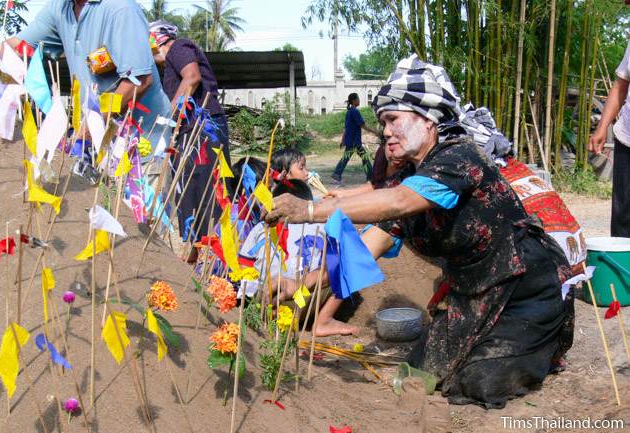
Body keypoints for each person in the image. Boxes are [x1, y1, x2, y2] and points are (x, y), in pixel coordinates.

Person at [265, 55, 574, 409]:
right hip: (474, 292)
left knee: (479, 382)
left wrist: (308, 210)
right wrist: (299, 285)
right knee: (417, 373)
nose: (385, 132)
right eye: (383, 122)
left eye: (393, 119)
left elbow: (399, 202)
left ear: (428, 121)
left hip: (525, 287)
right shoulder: (406, 178)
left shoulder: (459, 159)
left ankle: (541, 345)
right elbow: (363, 250)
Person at [4, 0, 171, 151]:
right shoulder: (60, 8)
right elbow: (17, 46)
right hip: (100, 141)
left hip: (142, 141)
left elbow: (139, 80)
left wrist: (93, 122)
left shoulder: (120, 9)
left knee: (134, 181)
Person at [149, 20, 232, 248]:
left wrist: (172, 113)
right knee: (188, 187)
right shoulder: (168, 66)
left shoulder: (178, 48)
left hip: (203, 129)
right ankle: (196, 247)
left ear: (157, 40)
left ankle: (212, 249)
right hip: (191, 131)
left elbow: (193, 77)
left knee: (206, 187)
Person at [589, 38, 630, 237]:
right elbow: (621, 86)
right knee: (623, 218)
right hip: (627, 140)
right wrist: (602, 127)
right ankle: (622, 266)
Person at [331, 93, 379, 184]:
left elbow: (345, 128)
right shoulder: (355, 111)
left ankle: (336, 175)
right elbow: (362, 125)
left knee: (346, 159)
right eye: (358, 99)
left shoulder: (349, 112)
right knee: (364, 158)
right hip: (354, 141)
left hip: (350, 140)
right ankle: (370, 177)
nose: (359, 101)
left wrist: (343, 140)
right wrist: (375, 132)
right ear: (354, 101)